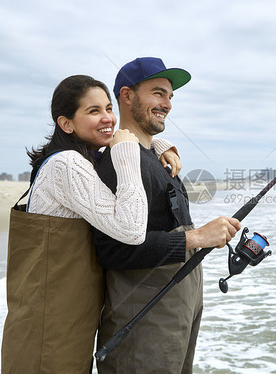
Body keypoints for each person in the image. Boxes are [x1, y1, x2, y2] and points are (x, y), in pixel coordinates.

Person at [1, 74, 181, 373]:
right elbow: (132, 230)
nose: (108, 118)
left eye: (108, 108)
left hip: (63, 316)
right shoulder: (67, 165)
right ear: (66, 123)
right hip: (49, 325)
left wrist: (159, 145)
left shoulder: (80, 159)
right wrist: (127, 153)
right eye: (93, 111)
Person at [93, 57, 241, 373]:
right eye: (158, 93)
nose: (168, 104)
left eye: (170, 96)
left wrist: (160, 146)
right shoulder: (121, 162)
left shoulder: (157, 156)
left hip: (180, 307)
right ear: (127, 95)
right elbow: (112, 250)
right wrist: (198, 237)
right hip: (144, 320)